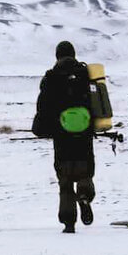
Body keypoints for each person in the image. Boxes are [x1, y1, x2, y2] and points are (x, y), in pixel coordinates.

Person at [32, 40, 96, 233]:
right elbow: (96, 101)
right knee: (85, 170)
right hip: (84, 132)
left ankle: (69, 223)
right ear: (74, 54)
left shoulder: (51, 77)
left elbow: (43, 106)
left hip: (61, 135)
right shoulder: (86, 74)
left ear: (57, 56)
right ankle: (84, 196)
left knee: (65, 180)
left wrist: (40, 128)